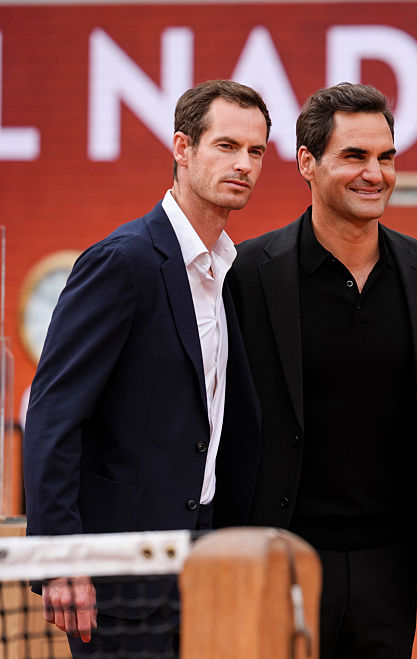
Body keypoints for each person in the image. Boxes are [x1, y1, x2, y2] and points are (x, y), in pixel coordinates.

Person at [22, 79, 267, 656]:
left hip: (208, 565)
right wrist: (60, 560)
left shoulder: (232, 272)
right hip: (118, 574)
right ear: (182, 149)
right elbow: (53, 416)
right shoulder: (123, 261)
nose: (244, 164)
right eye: (226, 146)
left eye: (256, 151)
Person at [221, 83, 417, 659]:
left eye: (386, 157)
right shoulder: (246, 274)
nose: (376, 173)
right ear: (305, 163)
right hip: (280, 558)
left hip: (391, 565)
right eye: (354, 156)